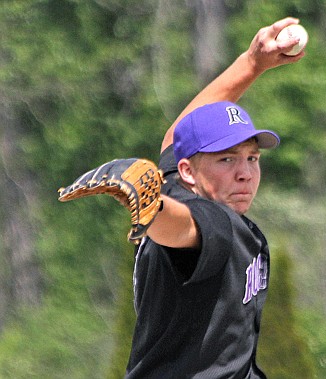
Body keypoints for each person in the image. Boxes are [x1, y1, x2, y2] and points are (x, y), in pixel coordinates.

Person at [124, 17, 305, 378]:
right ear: (191, 171)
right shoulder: (214, 221)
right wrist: (151, 208)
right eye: (227, 158)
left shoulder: (181, 180)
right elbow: (183, 229)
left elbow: (178, 136)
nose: (245, 173)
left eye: (252, 158)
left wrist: (252, 63)